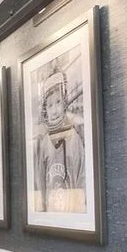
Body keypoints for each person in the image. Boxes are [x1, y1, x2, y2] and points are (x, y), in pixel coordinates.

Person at [33, 64, 86, 213]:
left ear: (64, 103)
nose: (54, 109)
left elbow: (82, 178)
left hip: (72, 215)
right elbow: (40, 183)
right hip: (51, 216)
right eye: (50, 105)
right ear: (45, 110)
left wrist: (80, 212)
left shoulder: (74, 139)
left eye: (58, 102)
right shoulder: (43, 144)